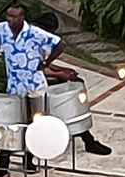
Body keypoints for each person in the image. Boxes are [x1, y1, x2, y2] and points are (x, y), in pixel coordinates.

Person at [0, 4, 65, 177]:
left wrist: (46, 63)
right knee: (8, 124)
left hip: (34, 87)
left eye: (14, 17)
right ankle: (2, 166)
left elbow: (60, 44)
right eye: (9, 16)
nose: (10, 19)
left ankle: (29, 160)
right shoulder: (1, 29)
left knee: (33, 124)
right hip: (14, 87)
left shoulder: (35, 33)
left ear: (22, 17)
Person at [32, 13, 112, 156]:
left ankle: (87, 137)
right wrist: (59, 75)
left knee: (75, 83)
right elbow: (34, 70)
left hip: (38, 79)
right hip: (31, 85)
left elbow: (42, 64)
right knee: (68, 97)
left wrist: (63, 70)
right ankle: (86, 138)